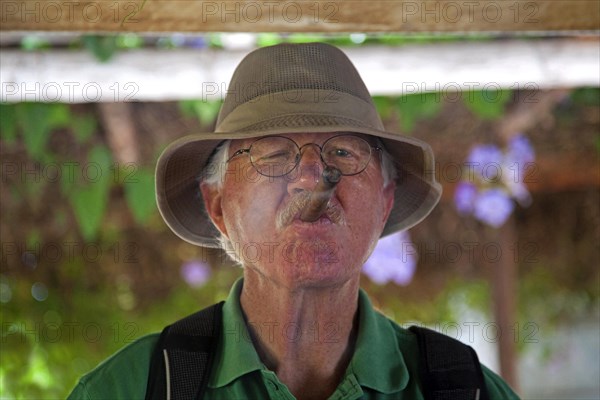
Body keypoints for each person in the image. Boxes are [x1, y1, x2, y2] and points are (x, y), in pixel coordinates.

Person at [68, 42, 519, 399]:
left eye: (343, 152)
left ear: (383, 203)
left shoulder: (463, 390)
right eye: (274, 155)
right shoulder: (133, 389)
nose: (311, 178)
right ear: (219, 207)